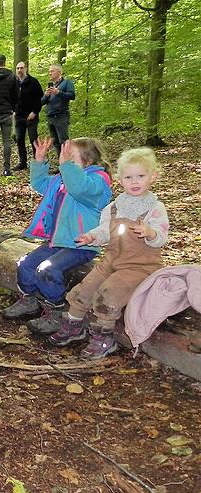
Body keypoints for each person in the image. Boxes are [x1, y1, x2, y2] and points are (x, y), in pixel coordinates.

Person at [48, 148, 169, 359]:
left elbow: (161, 236)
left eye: (141, 176)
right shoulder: (114, 207)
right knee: (83, 290)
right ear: (120, 180)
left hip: (139, 266)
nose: (135, 181)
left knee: (109, 294)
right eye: (129, 177)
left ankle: (104, 337)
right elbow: (105, 231)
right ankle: (73, 326)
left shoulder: (155, 208)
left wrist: (150, 232)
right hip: (111, 261)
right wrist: (92, 237)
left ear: (153, 176)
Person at [2, 137, 112, 335]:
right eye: (65, 156)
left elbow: (79, 188)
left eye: (71, 157)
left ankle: (57, 310)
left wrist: (66, 167)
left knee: (47, 270)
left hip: (81, 245)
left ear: (88, 159)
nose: (65, 160)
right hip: (58, 241)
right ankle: (29, 300)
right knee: (25, 265)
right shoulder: (63, 180)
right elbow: (40, 184)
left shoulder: (98, 181)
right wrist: (39, 161)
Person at [13, 61, 44, 171]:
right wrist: (13, 110)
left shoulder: (33, 82)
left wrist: (34, 112)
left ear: (25, 68)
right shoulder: (14, 82)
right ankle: (22, 162)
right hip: (18, 116)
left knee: (33, 138)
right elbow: (11, 98)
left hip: (31, 116)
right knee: (19, 139)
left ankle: (37, 162)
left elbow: (40, 99)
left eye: (21, 68)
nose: (19, 70)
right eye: (17, 68)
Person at [41, 64, 75, 158]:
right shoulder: (51, 86)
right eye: (49, 71)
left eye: (52, 71)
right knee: (55, 143)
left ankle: (67, 164)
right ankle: (61, 164)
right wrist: (46, 95)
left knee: (64, 142)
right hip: (50, 117)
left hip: (61, 116)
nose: (50, 73)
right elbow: (41, 102)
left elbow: (72, 96)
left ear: (59, 72)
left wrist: (58, 92)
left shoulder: (67, 83)